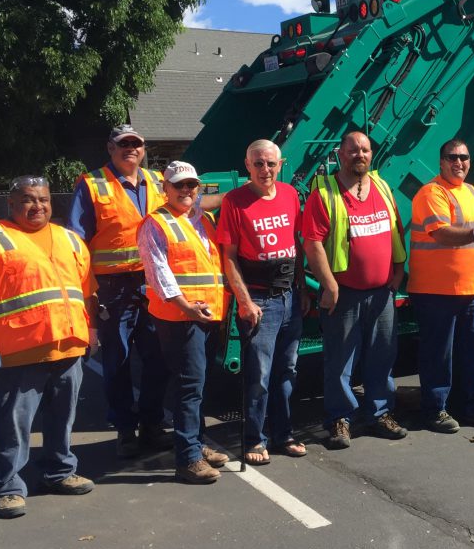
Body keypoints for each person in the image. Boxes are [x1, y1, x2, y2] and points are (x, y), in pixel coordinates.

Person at [0, 176, 97, 519]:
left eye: (43, 199)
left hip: (68, 346)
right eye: (27, 200)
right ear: (11, 204)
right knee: (13, 423)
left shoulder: (69, 239)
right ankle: (8, 486)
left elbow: (87, 290)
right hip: (19, 351)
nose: (37, 206)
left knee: (63, 418)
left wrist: (93, 328)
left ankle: (59, 472)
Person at [67, 124, 173, 458]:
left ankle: (152, 424)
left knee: (158, 358)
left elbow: (188, 207)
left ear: (144, 149)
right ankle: (126, 430)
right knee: (118, 362)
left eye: (136, 144)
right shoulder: (93, 185)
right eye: (123, 144)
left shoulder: (159, 181)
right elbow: (77, 242)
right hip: (113, 288)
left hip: (153, 284)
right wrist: (86, 293)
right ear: (110, 148)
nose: (131, 149)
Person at [303, 131, 408, 450]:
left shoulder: (382, 186)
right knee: (340, 361)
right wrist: (330, 284)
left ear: (371, 154)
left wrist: (400, 269)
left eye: (364, 150)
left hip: (382, 293)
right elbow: (313, 242)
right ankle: (339, 419)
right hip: (344, 294)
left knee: (382, 357)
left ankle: (379, 413)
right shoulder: (325, 193)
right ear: (340, 154)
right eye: (352, 150)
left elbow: (395, 229)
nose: (359, 155)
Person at [138, 161, 229, 484]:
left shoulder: (203, 220)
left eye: (191, 185)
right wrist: (187, 308)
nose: (186, 190)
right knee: (189, 385)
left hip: (206, 316)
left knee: (199, 383)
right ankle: (188, 457)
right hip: (180, 318)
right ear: (166, 188)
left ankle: (198, 444)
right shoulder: (155, 223)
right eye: (179, 185)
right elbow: (159, 274)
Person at [407, 139, 474, 433]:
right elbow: (442, 234)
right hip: (436, 290)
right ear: (441, 161)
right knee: (439, 354)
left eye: (464, 157)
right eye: (453, 157)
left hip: (469, 288)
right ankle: (435, 410)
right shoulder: (431, 192)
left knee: (472, 353)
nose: (459, 162)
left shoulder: (470, 191)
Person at [217, 140, 306, 464]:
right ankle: (256, 440)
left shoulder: (289, 195)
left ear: (280, 164)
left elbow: (296, 244)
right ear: (247, 165)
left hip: (289, 298)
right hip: (258, 301)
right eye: (258, 164)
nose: (264, 170)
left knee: (288, 371)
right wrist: (243, 301)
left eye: (270, 163)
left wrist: (303, 291)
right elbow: (228, 257)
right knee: (259, 376)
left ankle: (284, 434)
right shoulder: (234, 202)